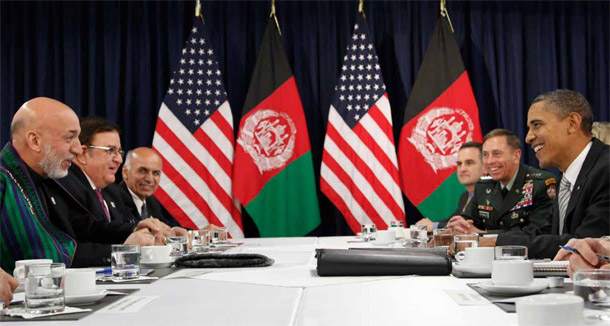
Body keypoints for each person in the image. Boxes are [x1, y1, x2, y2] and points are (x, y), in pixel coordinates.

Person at [1, 97, 159, 271]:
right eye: (69, 138)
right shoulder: (5, 180)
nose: (77, 149)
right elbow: (48, 253)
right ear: (35, 141)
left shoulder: (45, 178)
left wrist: (134, 230)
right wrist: (124, 251)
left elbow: (84, 228)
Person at [481, 90, 609, 258]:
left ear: (572, 123)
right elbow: (545, 233)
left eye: (537, 125)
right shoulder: (567, 178)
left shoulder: (605, 170)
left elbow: (585, 244)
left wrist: (496, 243)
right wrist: (486, 239)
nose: (528, 137)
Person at [447, 129, 555, 234]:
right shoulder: (483, 185)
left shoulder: (540, 184)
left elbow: (537, 233)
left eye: (497, 154)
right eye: (485, 155)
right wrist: (459, 225)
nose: (490, 161)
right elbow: (467, 221)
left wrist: (483, 235)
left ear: (516, 156)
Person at [59, 117, 133, 223]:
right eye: (110, 150)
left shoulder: (114, 192)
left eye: (119, 152)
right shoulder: (68, 189)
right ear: (83, 154)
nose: (119, 160)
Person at [415, 142, 484, 232]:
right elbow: (452, 220)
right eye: (459, 164)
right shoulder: (465, 195)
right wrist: (428, 224)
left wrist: (434, 226)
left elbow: (466, 225)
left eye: (469, 163)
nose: (462, 169)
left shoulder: (490, 195)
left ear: (485, 167)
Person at [119, 147, 178, 226]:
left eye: (155, 173)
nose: (149, 179)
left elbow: (165, 228)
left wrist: (175, 231)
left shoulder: (152, 201)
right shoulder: (116, 200)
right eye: (142, 171)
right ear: (125, 172)